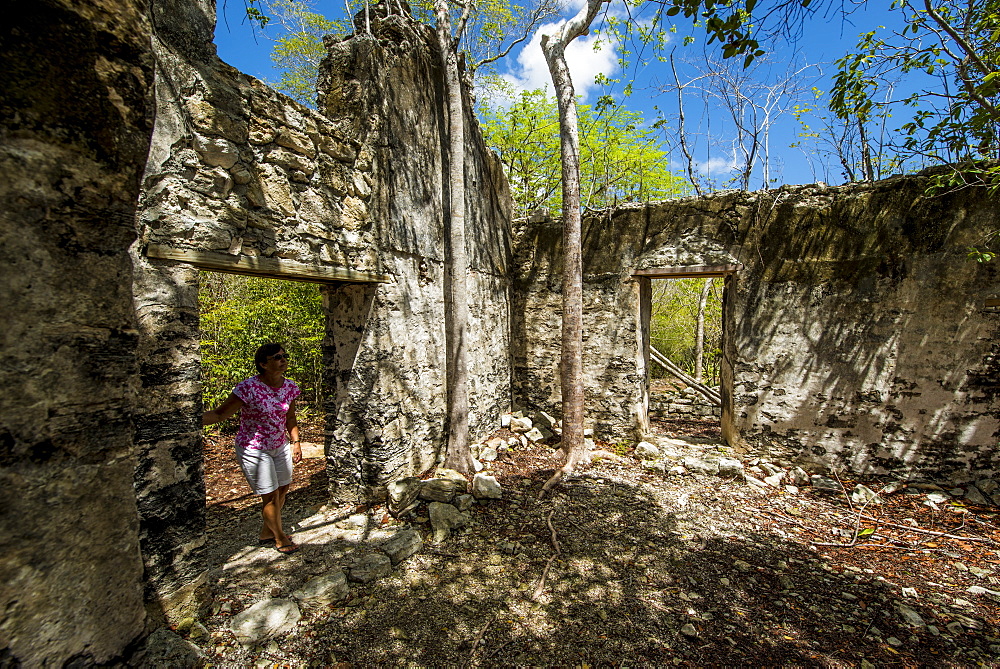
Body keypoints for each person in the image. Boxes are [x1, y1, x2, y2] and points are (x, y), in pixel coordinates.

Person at [202, 343, 303, 554]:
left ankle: (267, 531)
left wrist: (296, 442)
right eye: (276, 357)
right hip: (254, 449)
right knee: (269, 494)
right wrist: (187, 419)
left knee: (283, 489)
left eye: (284, 355)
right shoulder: (248, 388)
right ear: (263, 364)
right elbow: (220, 414)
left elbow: (290, 417)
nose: (283, 359)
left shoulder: (290, 387)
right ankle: (279, 537)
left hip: (280, 445)